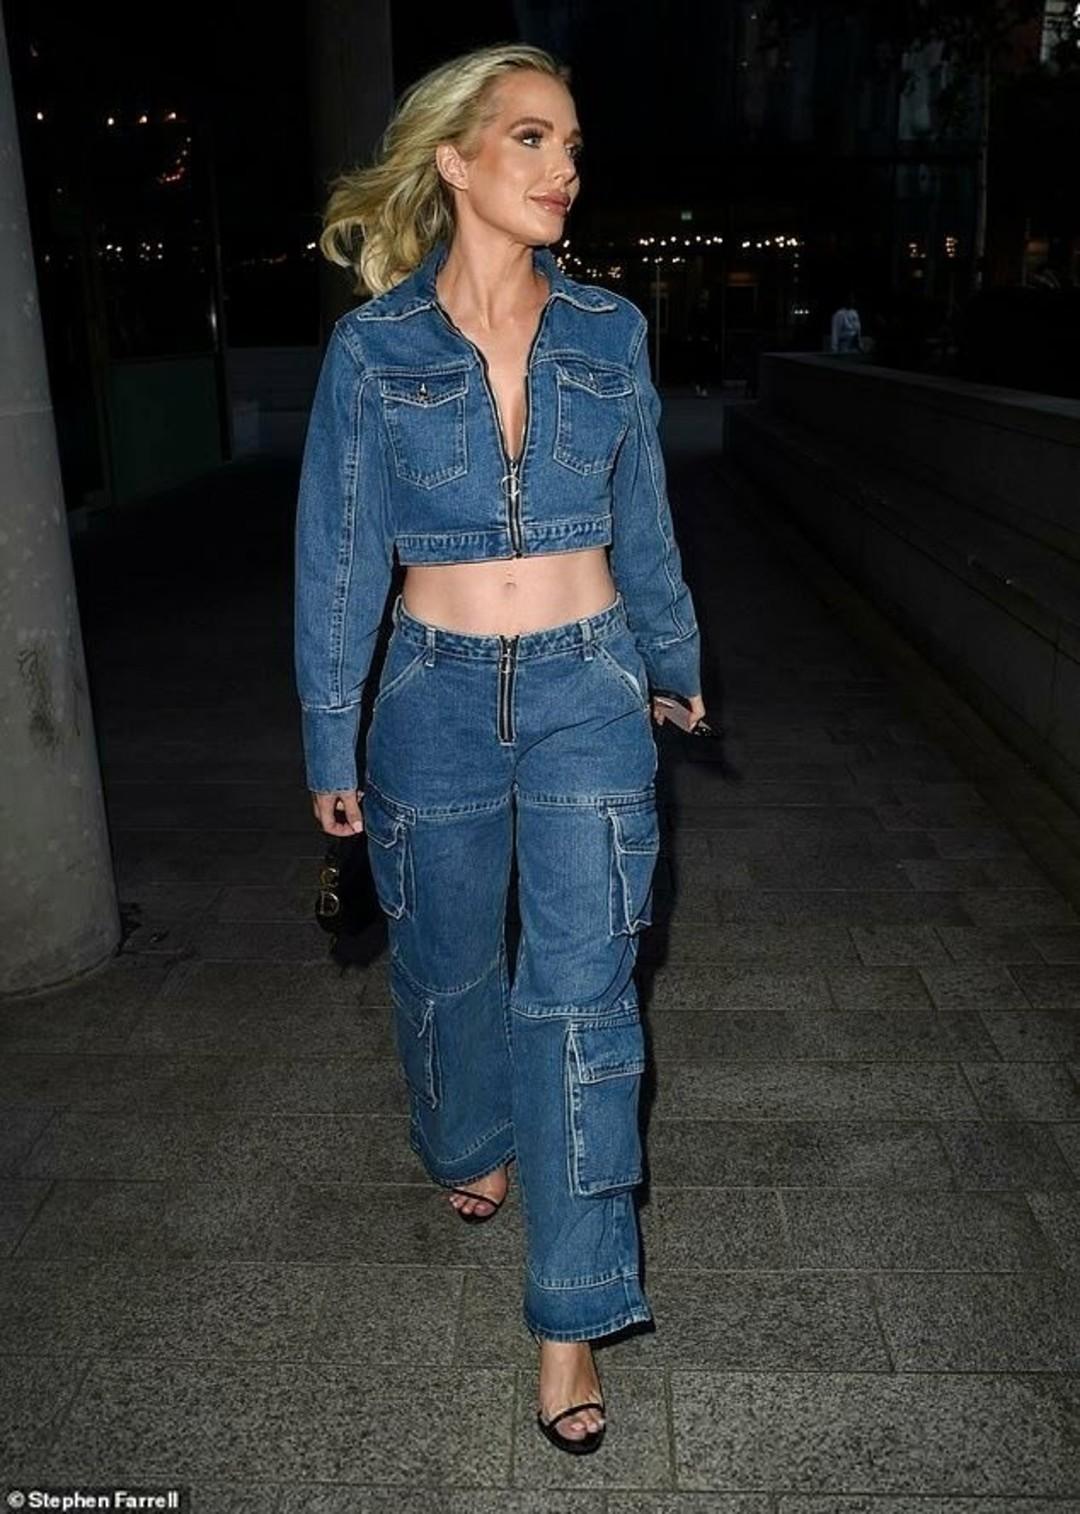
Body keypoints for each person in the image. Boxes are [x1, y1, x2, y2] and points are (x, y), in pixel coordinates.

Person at [294, 43, 706, 1455]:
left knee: (583, 1002)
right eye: (531, 138)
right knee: (446, 962)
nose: (563, 166)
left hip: (590, 681)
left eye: (572, 143)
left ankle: (570, 1313)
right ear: (455, 161)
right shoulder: (375, 351)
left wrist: (673, 662)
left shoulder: (610, 330)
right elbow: (339, 558)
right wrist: (328, 732)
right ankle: (468, 1130)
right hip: (432, 694)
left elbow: (645, 516)